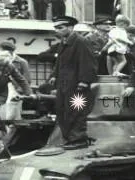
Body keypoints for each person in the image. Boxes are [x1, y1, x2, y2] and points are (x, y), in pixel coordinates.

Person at [49, 16, 97, 150]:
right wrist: (54, 75)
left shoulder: (81, 42)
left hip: (78, 86)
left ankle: (78, 140)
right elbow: (59, 62)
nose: (57, 30)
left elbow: (88, 63)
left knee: (76, 111)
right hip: (64, 85)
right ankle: (69, 139)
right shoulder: (63, 43)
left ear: (70, 27)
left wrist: (84, 81)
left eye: (60, 27)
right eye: (56, 28)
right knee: (62, 111)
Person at [0, 50, 33, 146]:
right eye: (1, 65)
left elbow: (21, 80)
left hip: (0, 94)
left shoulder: (9, 67)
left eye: (5, 65)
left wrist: (29, 94)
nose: (3, 67)